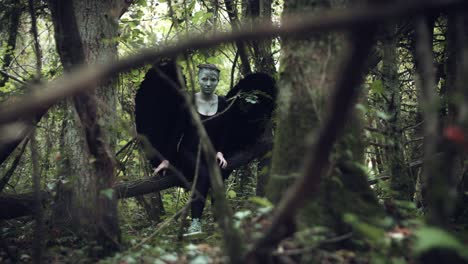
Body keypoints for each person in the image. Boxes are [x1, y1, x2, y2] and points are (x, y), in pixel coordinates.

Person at [154, 63, 228, 235]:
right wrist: (166, 159)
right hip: (189, 151)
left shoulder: (223, 102)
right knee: (202, 176)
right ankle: (195, 223)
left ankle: (221, 223)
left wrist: (220, 151)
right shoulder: (189, 100)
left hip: (210, 152)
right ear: (198, 79)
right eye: (204, 79)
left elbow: (225, 131)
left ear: (217, 81)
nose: (208, 83)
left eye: (212, 80)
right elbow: (176, 132)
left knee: (218, 176)